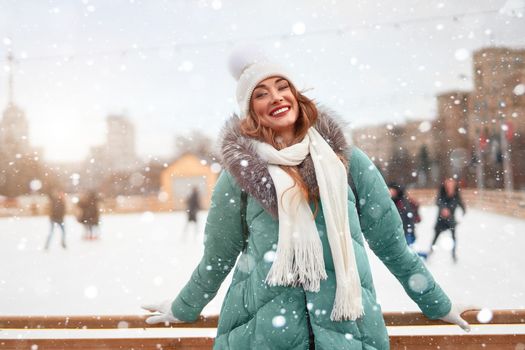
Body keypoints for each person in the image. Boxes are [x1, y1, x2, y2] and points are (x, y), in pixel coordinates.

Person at [143, 48, 473, 349]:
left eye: (282, 87)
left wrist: (437, 303)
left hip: (347, 334)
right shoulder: (239, 176)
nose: (276, 97)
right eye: (261, 93)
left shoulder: (346, 160)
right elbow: (217, 258)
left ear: (296, 94)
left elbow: (392, 245)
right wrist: (183, 307)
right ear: (250, 110)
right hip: (262, 336)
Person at [428, 178, 466, 262]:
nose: (450, 186)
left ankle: (453, 254)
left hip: (451, 220)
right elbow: (438, 201)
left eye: (451, 184)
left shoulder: (456, 194)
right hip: (441, 220)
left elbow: (461, 204)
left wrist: (462, 213)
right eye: (448, 184)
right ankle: (430, 252)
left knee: (453, 237)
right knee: (436, 237)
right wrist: (443, 209)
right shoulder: (442, 192)